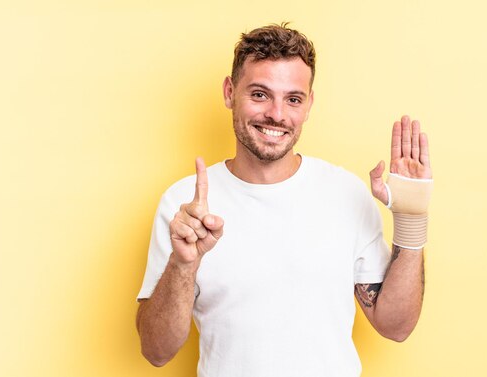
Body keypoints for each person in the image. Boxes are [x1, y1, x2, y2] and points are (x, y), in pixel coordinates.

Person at [135, 23, 432, 377]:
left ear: (308, 105)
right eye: (259, 94)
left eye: (293, 99)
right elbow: (156, 351)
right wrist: (184, 265)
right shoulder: (184, 206)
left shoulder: (345, 193)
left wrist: (411, 217)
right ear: (230, 92)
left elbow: (395, 326)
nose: (277, 114)